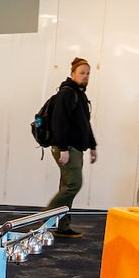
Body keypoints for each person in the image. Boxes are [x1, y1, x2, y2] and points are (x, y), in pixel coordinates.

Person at [43, 57, 97, 236]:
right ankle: (43, 220)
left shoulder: (79, 94)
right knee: (74, 184)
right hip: (67, 148)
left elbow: (84, 124)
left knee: (66, 186)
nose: (85, 76)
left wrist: (92, 145)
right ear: (72, 74)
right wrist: (63, 148)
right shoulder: (67, 93)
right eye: (82, 73)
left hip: (75, 148)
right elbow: (59, 122)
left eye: (88, 73)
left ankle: (62, 226)